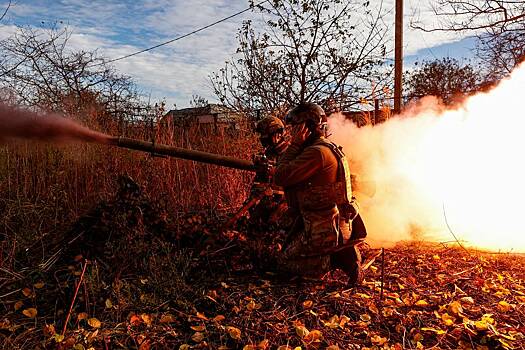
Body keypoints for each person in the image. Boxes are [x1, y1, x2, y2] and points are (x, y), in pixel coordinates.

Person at [274, 102, 366, 286]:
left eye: (294, 128)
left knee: (283, 263)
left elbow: (280, 176)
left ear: (305, 127)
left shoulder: (316, 153)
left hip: (323, 229)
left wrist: (294, 146)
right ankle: (340, 251)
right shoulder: (327, 147)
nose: (291, 133)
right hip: (335, 224)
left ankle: (336, 259)